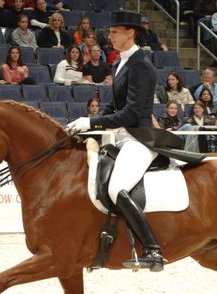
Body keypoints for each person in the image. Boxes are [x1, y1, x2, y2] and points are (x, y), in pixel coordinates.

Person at [65, 11, 166, 272]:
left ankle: (153, 250)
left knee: (115, 188)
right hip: (122, 138)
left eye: (114, 32)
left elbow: (132, 112)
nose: (109, 36)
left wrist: (93, 124)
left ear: (130, 33)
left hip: (139, 138)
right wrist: (89, 122)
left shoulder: (141, 64)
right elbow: (113, 105)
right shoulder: (120, 62)